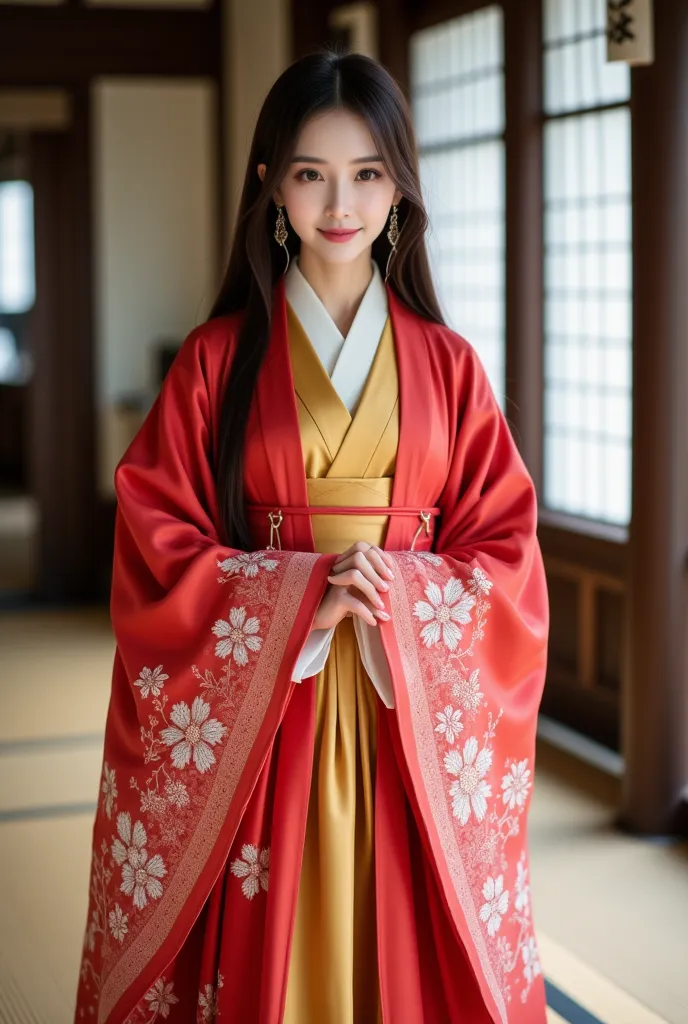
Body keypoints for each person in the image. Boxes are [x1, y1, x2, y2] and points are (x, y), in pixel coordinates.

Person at [75, 49, 549, 1024]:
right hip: (267, 709)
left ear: (400, 190)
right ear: (270, 185)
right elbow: (155, 533)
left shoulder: (449, 364)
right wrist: (291, 595)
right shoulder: (217, 362)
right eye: (310, 173)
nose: (341, 203)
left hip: (401, 696)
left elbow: (505, 547)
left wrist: (402, 601)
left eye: (368, 173)